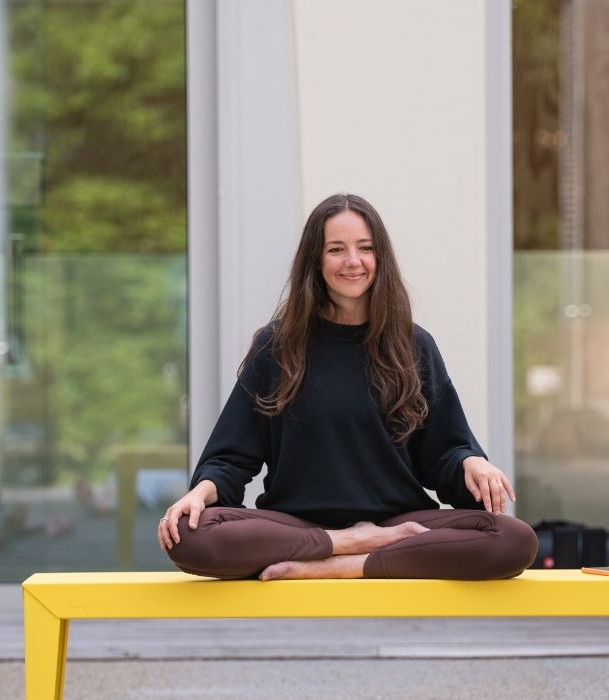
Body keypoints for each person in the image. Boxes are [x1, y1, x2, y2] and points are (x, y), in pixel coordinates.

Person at [158, 193, 538, 580]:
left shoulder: (412, 345)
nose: (353, 262)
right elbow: (231, 457)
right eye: (336, 249)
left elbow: (444, 453)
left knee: (512, 539)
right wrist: (200, 493)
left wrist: (470, 461)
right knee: (191, 536)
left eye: (365, 248)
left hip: (396, 525)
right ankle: (344, 545)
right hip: (298, 526)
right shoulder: (277, 346)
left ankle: (348, 564)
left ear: (380, 257)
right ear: (315, 261)